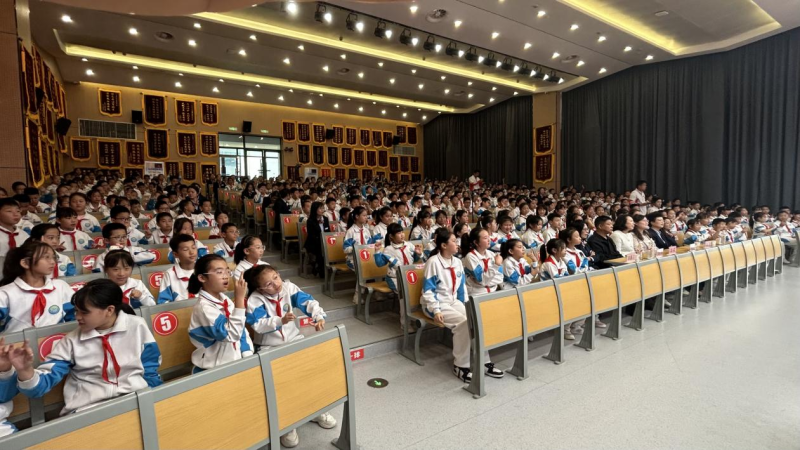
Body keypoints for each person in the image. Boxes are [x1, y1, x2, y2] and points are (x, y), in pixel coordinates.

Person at [6, 279, 162, 415]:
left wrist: (155, 398)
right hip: (88, 410)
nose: (77, 317)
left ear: (109, 310)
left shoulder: (137, 326)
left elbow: (150, 368)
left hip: (134, 400)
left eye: (84, 312)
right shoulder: (72, 340)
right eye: (76, 311)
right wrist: (25, 371)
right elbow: (38, 388)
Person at [422, 229, 503, 382]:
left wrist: (467, 306)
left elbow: (461, 289)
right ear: (444, 245)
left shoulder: (457, 262)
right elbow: (428, 290)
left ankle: (484, 361)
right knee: (464, 324)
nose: (457, 244)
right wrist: (435, 310)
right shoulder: (433, 262)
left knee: (476, 320)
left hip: (453, 302)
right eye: (453, 241)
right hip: (436, 304)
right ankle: (460, 365)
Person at [187, 255, 253, 372]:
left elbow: (241, 329)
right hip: (213, 368)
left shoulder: (225, 299)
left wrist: (247, 352)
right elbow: (231, 334)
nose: (226, 276)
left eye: (227, 271)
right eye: (219, 272)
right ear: (202, 278)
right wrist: (239, 299)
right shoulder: (204, 308)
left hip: (235, 360)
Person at [0, 242, 75, 332]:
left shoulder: (61, 286)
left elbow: (73, 316)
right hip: (16, 340)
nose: (52, 262)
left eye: (54, 257)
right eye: (46, 257)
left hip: (57, 339)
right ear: (25, 263)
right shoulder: (5, 293)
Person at [462, 228, 504, 296]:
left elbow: (500, 278)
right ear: (476, 242)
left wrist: (486, 280)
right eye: (485, 238)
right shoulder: (470, 257)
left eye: (489, 237)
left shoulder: (492, 254)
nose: (489, 240)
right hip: (477, 293)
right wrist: (496, 265)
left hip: (494, 290)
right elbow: (483, 280)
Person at [157, 235, 199, 304]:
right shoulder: (169, 274)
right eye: (185, 249)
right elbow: (163, 302)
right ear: (176, 254)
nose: (192, 252)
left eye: (193, 248)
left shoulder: (204, 270)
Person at [304, 201, 329, 278]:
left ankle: (325, 268)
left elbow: (328, 232)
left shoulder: (325, 219)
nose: (322, 210)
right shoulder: (310, 221)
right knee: (320, 249)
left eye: (323, 208)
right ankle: (321, 269)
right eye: (320, 208)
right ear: (315, 209)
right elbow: (311, 235)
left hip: (324, 242)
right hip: (314, 243)